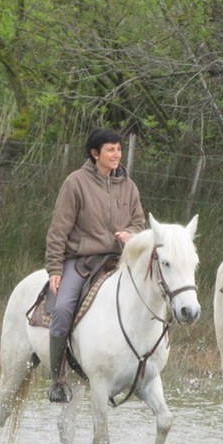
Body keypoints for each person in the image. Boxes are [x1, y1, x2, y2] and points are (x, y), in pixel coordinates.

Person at [44, 128, 146, 403]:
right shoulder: (75, 183)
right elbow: (58, 230)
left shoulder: (129, 186)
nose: (117, 155)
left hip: (118, 261)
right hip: (81, 262)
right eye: (111, 149)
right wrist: (55, 268)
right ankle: (57, 380)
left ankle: (140, 368)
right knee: (63, 310)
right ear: (95, 153)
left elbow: (140, 222)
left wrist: (131, 235)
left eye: (119, 149)